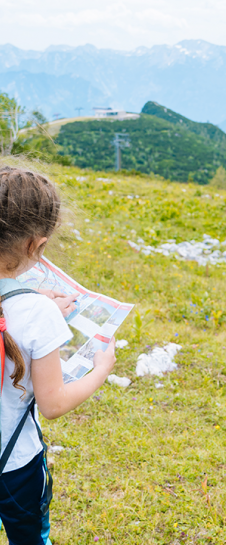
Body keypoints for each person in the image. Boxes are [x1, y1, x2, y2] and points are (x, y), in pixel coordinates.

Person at [0, 165, 116, 544]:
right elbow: (53, 404)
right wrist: (101, 369)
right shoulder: (36, 314)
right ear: (36, 245)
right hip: (14, 465)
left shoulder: (33, 307)